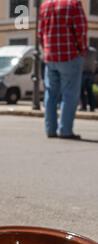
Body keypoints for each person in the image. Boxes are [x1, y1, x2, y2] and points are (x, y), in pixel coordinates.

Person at [38, 0, 88, 140]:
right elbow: (81, 29)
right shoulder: (73, 4)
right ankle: (65, 130)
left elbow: (40, 33)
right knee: (69, 94)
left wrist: (47, 50)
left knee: (51, 94)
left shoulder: (45, 5)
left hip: (51, 58)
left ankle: (50, 129)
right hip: (70, 56)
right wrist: (82, 50)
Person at [80, 46, 97, 112]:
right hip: (91, 74)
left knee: (82, 90)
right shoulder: (94, 51)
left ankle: (84, 106)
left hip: (83, 73)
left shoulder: (83, 51)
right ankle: (92, 107)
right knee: (90, 91)